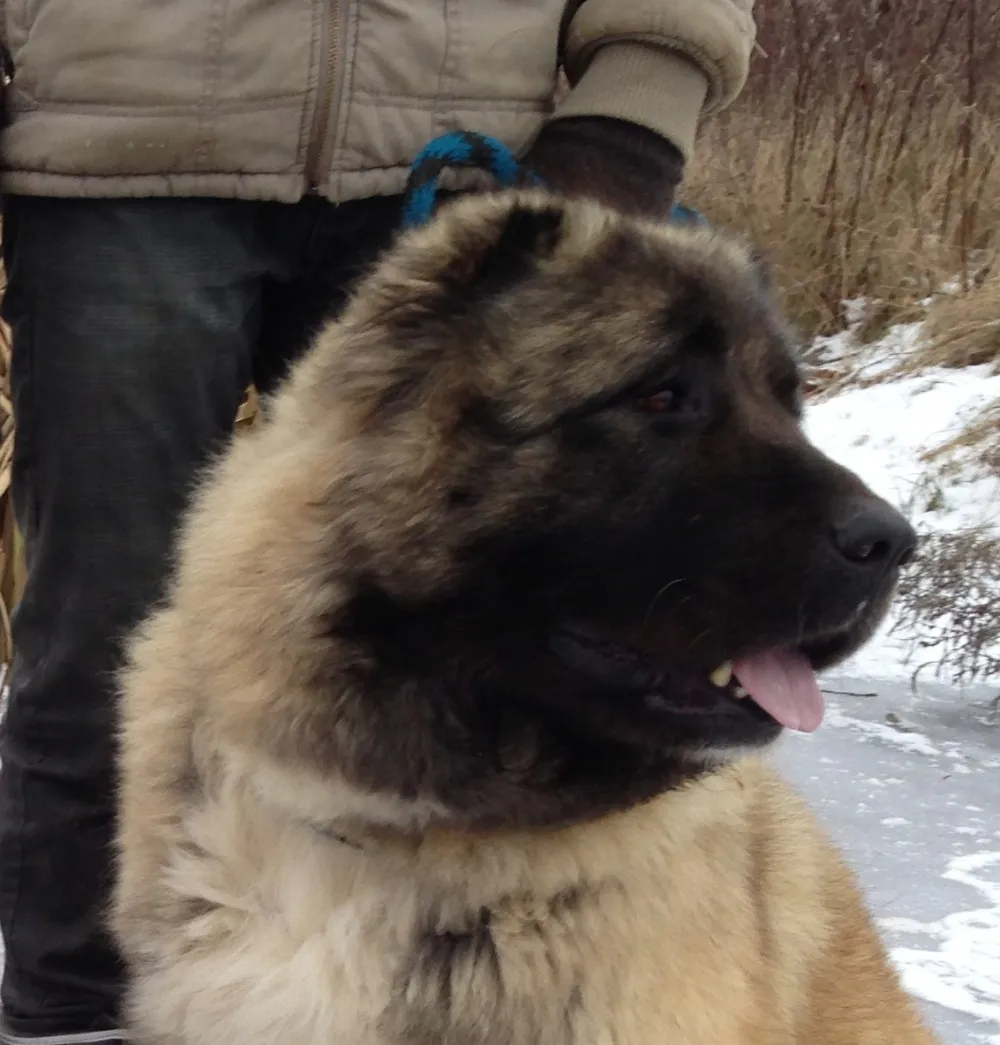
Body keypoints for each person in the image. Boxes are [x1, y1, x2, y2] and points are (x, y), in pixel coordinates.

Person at [0, 1, 756, 1043]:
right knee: (102, 633)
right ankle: (72, 1014)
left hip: (469, 171)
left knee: (496, 637)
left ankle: (457, 1005)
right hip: (116, 150)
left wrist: (630, 118)